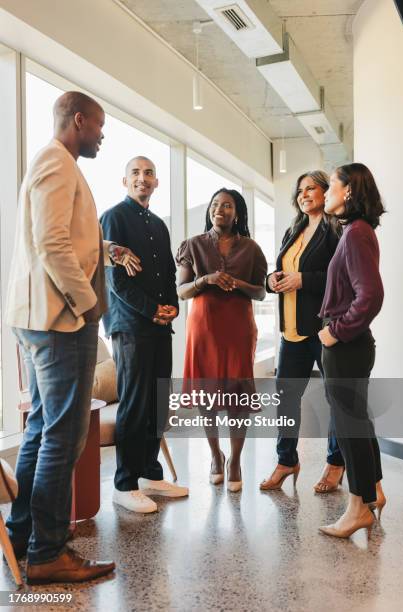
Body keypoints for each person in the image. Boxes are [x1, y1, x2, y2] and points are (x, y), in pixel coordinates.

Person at [5, 91, 141, 584]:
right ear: (78, 120)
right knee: (64, 436)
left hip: (41, 318)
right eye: (99, 126)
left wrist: (103, 246)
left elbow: (62, 235)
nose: (102, 135)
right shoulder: (56, 162)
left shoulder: (54, 163)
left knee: (43, 429)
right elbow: (52, 243)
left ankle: (22, 538)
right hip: (60, 321)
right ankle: (47, 552)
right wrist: (87, 308)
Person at [100, 156, 189, 514]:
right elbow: (115, 279)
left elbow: (168, 272)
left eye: (149, 173)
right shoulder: (113, 217)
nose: (142, 178)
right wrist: (151, 309)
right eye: (135, 173)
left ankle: (151, 475)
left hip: (159, 325)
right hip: (130, 326)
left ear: (156, 182)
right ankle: (124, 483)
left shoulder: (158, 224)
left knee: (158, 401)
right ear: (125, 181)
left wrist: (171, 307)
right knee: (135, 404)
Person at [176, 188, 267, 492]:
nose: (219, 209)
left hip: (238, 329)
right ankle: (216, 455)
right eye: (215, 204)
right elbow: (182, 290)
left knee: (238, 395)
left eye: (226, 205)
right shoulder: (193, 245)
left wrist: (238, 283)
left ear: (237, 213)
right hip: (204, 328)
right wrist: (206, 280)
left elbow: (260, 292)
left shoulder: (251, 249)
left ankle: (236, 460)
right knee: (207, 395)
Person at [259, 171, 345, 492]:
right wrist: (272, 280)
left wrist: (303, 280)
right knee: (286, 397)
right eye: (300, 190)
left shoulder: (336, 230)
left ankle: (336, 463)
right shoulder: (293, 230)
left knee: (335, 396)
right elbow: (283, 269)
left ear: (325, 192)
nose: (304, 194)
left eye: (311, 188)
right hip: (291, 330)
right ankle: (286, 461)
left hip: (323, 329)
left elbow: (343, 276)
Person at [318, 162, 386, 538]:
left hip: (346, 345)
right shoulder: (355, 231)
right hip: (352, 346)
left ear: (347, 192)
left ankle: (358, 508)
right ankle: (373, 491)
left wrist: (336, 332)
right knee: (357, 423)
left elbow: (371, 295)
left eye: (330, 185)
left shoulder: (356, 233)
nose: (326, 192)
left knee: (349, 428)